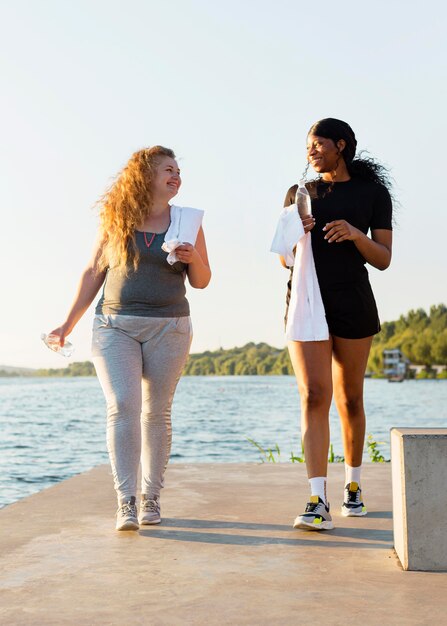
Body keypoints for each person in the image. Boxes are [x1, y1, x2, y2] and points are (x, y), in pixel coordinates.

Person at [49, 146, 211, 530]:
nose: (176, 176)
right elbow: (93, 272)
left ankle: (151, 498)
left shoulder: (187, 220)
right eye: (167, 170)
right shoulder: (116, 219)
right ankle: (126, 502)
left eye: (177, 171)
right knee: (123, 404)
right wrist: (66, 325)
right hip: (114, 325)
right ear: (145, 177)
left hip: (170, 326)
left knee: (156, 412)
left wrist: (193, 260)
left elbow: (202, 281)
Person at [279, 118, 393, 530]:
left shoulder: (372, 194)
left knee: (350, 400)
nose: (310, 151)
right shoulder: (300, 194)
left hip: (353, 302)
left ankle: (354, 485)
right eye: (308, 145)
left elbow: (383, 258)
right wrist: (297, 234)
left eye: (318, 144)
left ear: (340, 146)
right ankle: (315, 500)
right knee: (312, 395)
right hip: (306, 302)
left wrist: (354, 235)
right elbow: (284, 258)